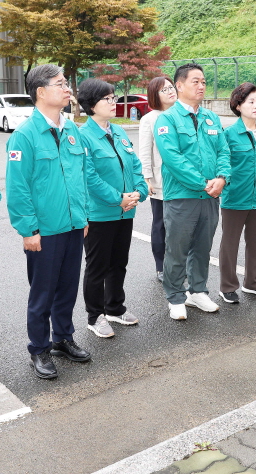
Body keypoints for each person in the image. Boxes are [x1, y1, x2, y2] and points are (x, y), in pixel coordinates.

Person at [6, 64, 92, 380]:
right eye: (60, 84)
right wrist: (28, 230)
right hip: (44, 231)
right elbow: (18, 187)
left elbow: (80, 178)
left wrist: (82, 217)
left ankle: (63, 339)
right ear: (41, 92)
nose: (67, 88)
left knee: (67, 289)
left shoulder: (71, 130)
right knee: (42, 293)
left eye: (66, 83)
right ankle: (39, 348)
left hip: (72, 225)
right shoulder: (25, 136)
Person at [154, 63, 231, 320]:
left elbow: (223, 151)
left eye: (204, 82)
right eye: (195, 81)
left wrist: (221, 178)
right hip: (182, 195)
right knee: (177, 248)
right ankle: (175, 296)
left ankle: (197, 291)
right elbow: (173, 159)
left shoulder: (212, 117)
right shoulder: (167, 119)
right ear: (180, 85)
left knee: (202, 246)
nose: (201, 86)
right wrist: (203, 182)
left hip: (209, 196)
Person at [77, 78, 148, 338]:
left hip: (125, 210)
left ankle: (115, 308)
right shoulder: (83, 136)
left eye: (113, 97)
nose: (113, 102)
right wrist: (118, 197)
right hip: (100, 213)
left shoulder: (118, 132)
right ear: (91, 104)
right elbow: (90, 177)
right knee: (97, 266)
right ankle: (95, 316)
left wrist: (138, 191)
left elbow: (135, 165)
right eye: (107, 99)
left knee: (119, 262)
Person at [218, 83, 256, 303]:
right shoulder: (229, 134)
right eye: (250, 101)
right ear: (238, 106)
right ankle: (227, 285)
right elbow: (222, 163)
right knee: (230, 243)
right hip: (235, 198)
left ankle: (252, 282)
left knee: (255, 241)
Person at [138, 76, 178, 282]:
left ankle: (178, 264)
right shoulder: (150, 119)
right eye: (164, 90)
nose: (171, 91)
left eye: (171, 87)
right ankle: (160, 266)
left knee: (180, 226)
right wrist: (147, 178)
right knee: (161, 224)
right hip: (161, 182)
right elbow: (145, 151)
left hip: (183, 183)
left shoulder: (182, 114)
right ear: (155, 95)